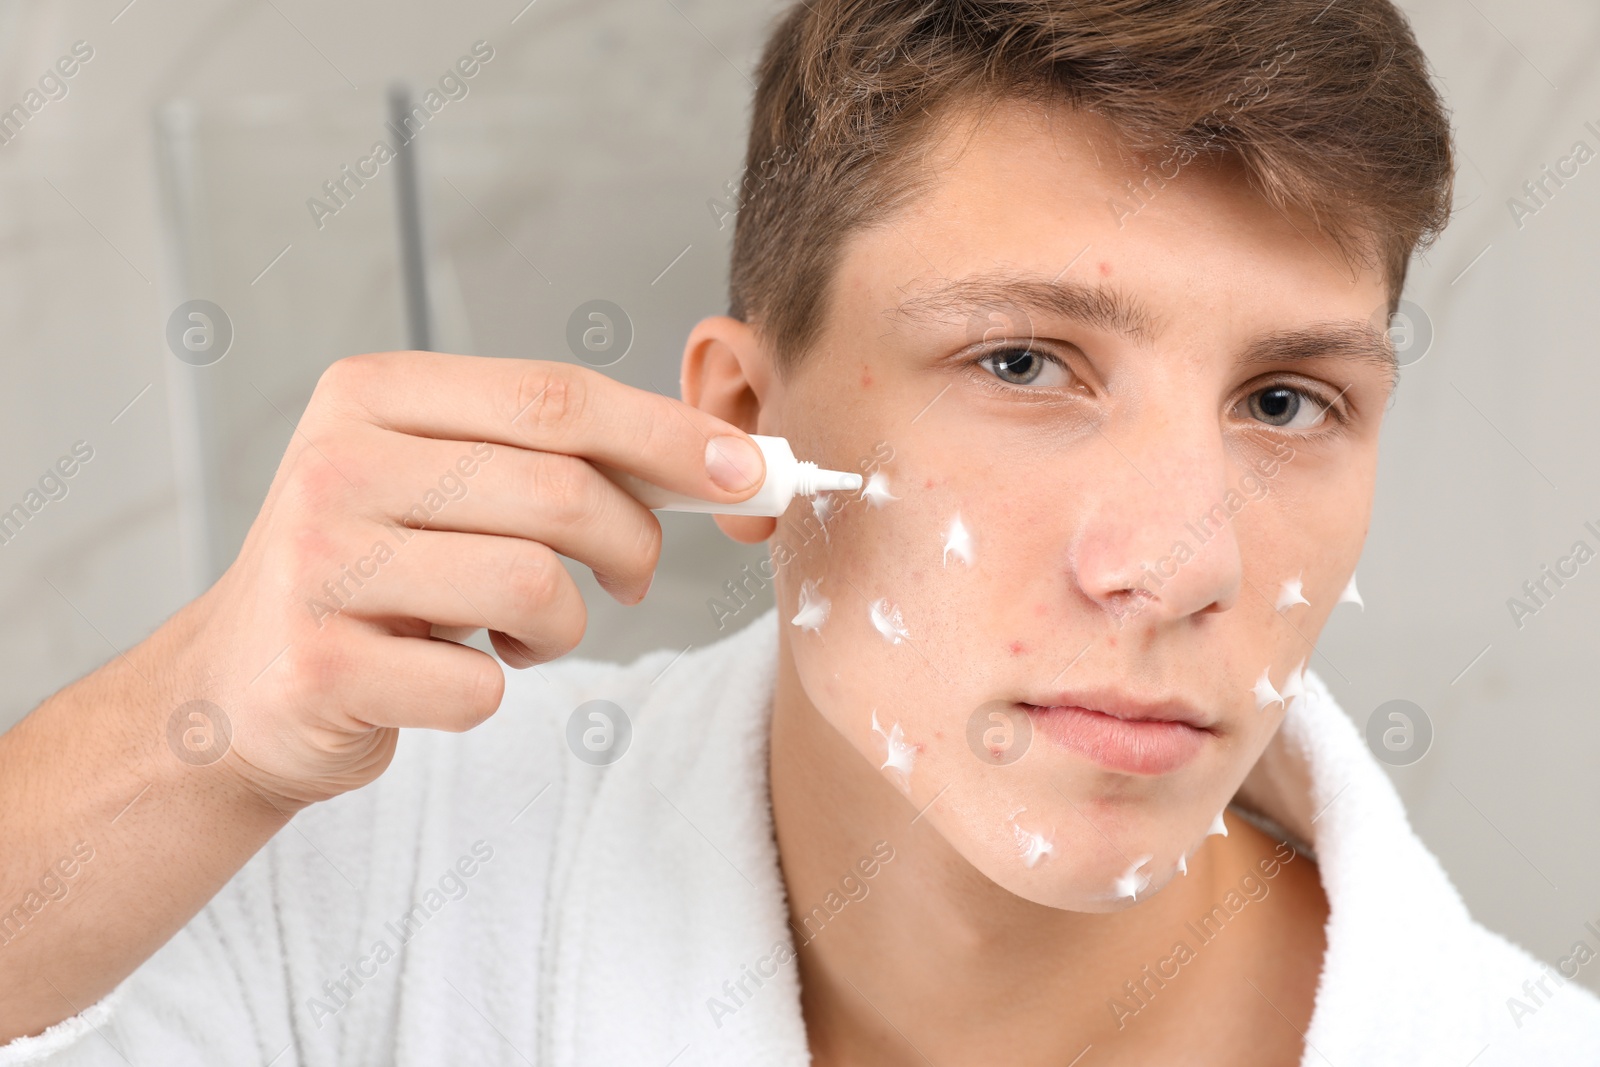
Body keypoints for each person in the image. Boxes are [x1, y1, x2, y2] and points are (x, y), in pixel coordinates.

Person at [2, 0, 1596, 1063]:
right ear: (745, 427)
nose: (1183, 566)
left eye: (1287, 402)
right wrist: (195, 732)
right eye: (1024, 362)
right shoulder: (374, 874)